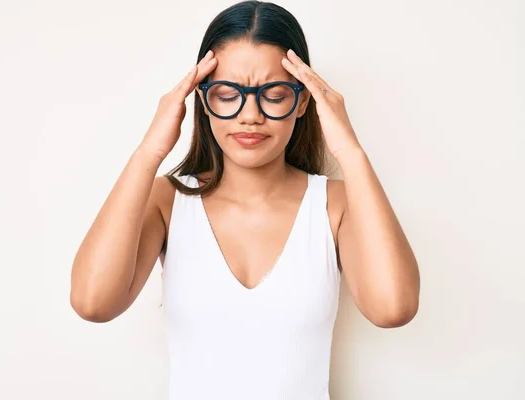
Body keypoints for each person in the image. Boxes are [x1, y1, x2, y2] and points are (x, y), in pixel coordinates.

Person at [70, 1, 420, 398]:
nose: (249, 115)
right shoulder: (167, 200)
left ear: (304, 101)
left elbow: (394, 308)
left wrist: (350, 152)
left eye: (273, 94)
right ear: (203, 100)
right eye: (227, 93)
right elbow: (92, 302)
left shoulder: (335, 204)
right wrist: (150, 150)